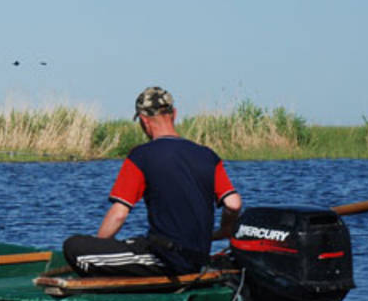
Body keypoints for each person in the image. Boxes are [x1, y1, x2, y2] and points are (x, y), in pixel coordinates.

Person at [63, 87, 242, 277]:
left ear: (143, 120)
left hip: (166, 261)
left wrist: (99, 246)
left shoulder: (141, 156)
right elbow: (233, 203)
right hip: (198, 258)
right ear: (174, 114)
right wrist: (224, 230)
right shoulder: (207, 155)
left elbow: (119, 215)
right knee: (136, 242)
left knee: (74, 247)